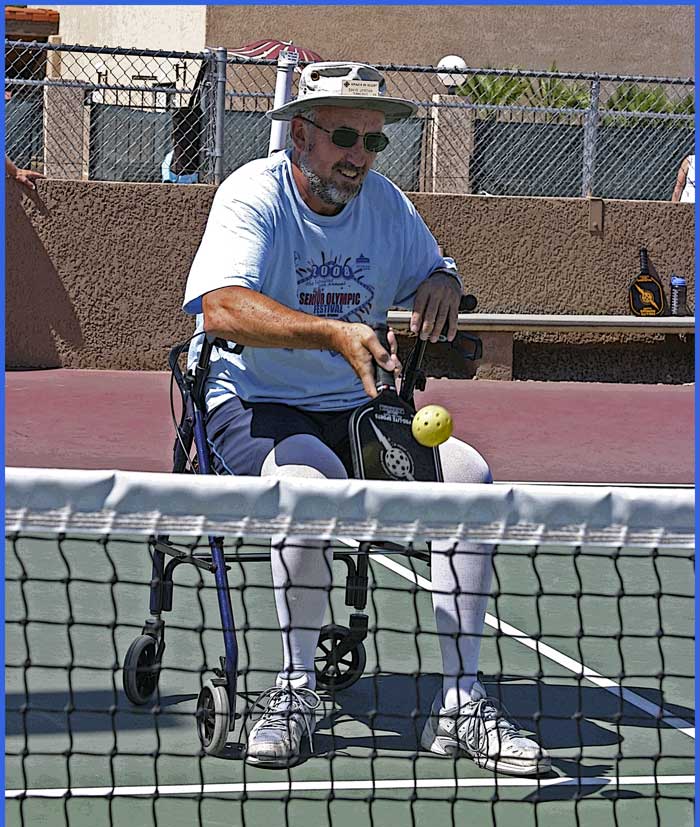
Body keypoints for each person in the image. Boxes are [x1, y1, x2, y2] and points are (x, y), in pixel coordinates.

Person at [183, 61, 550, 776]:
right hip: (255, 404)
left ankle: (462, 701)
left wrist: (443, 283)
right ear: (300, 135)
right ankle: (294, 689)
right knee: (309, 483)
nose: (359, 155)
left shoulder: (385, 205)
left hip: (361, 413)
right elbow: (222, 306)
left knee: (469, 479)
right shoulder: (251, 197)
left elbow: (433, 266)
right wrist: (334, 333)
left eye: (373, 142)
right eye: (345, 136)